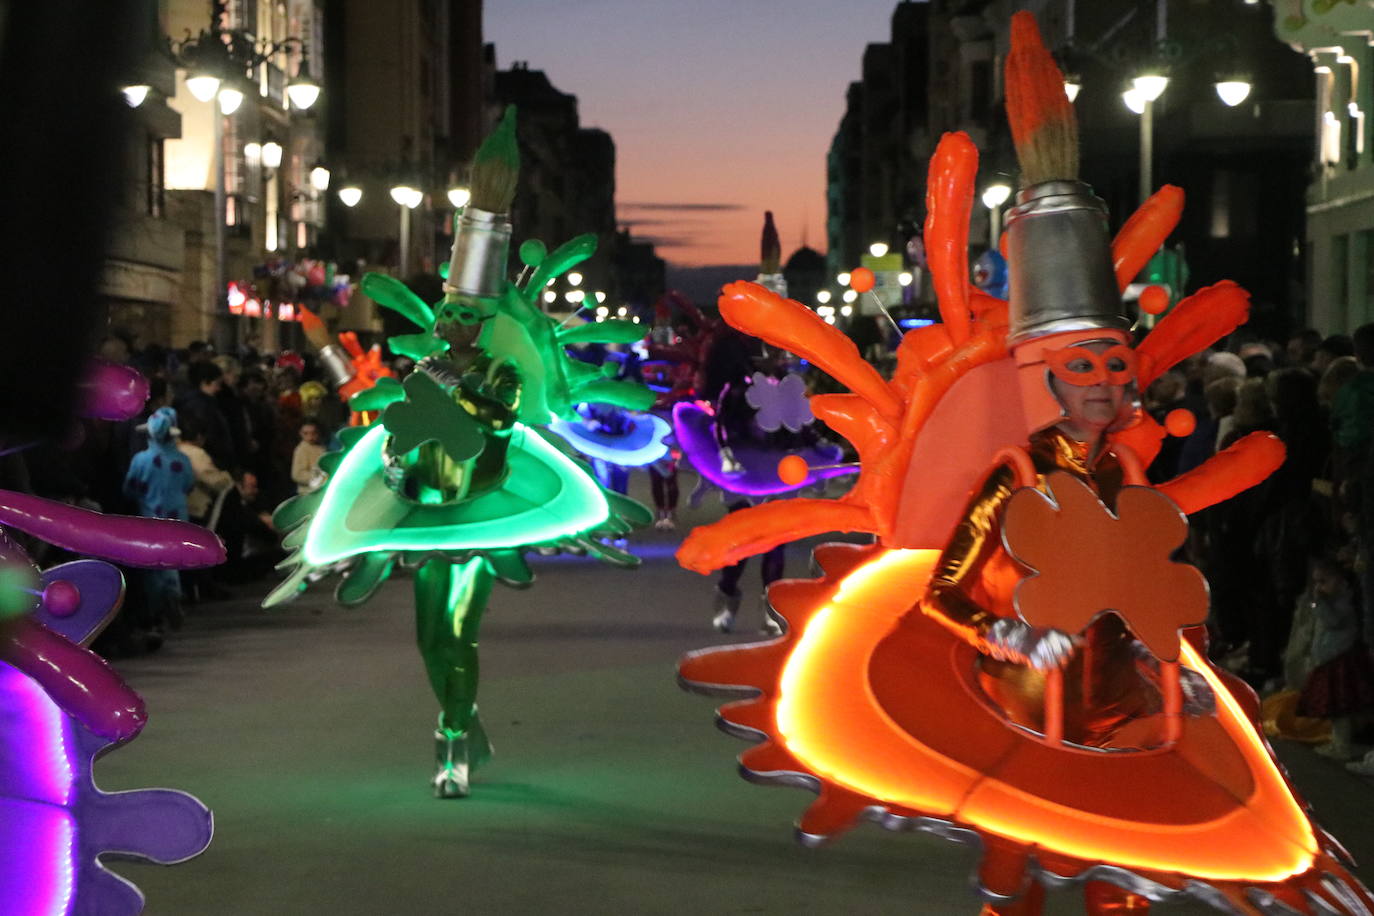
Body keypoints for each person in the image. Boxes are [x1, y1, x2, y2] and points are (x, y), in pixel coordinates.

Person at [291, 420, 326, 494]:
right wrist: (319, 478)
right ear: (300, 433)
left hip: (320, 490)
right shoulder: (301, 450)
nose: (310, 437)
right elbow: (297, 474)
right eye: (306, 433)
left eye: (313, 433)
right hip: (308, 492)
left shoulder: (321, 447)